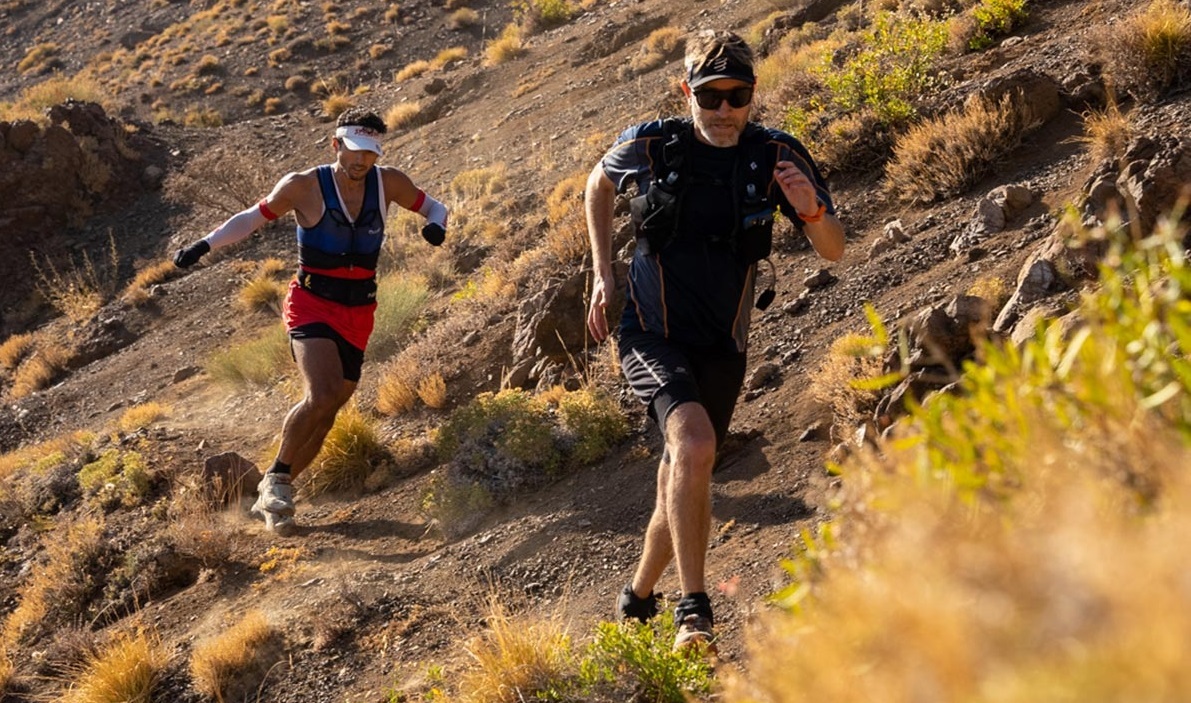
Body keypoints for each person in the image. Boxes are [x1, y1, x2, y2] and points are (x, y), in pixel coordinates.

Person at [584, 30, 845, 651]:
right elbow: (597, 183)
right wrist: (602, 271)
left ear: (754, 94)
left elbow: (835, 249)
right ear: (687, 92)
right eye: (710, 96)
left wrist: (809, 210)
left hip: (724, 345)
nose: (725, 110)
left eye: (738, 96)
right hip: (651, 332)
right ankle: (694, 612)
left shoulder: (775, 154)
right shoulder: (654, 144)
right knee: (695, 444)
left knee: (685, 468)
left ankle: (638, 596)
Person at [174, 107, 449, 536]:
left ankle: (271, 486)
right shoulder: (304, 186)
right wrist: (203, 245)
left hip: (360, 310)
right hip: (312, 303)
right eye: (354, 151)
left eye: (370, 152)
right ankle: (280, 480)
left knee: (330, 409)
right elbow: (253, 216)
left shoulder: (388, 181)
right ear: (336, 145)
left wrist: (435, 227)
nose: (362, 161)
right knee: (320, 393)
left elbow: (436, 207)